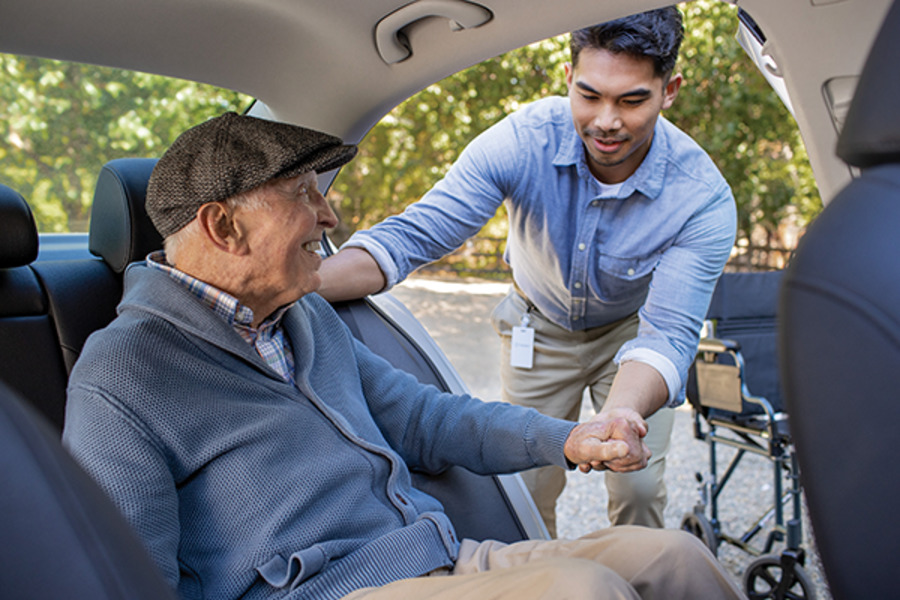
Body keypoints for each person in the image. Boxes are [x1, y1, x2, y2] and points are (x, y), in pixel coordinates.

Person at [63, 112, 743, 600]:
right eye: (302, 195)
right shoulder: (125, 375)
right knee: (582, 591)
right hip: (328, 591)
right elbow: (125, 575)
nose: (328, 217)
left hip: (439, 558)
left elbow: (426, 420)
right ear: (223, 225)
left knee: (675, 560)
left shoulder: (302, 317)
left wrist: (569, 439)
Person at [317, 6, 737, 535]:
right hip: (536, 328)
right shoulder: (522, 139)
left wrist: (619, 417)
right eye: (589, 95)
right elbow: (412, 236)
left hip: (631, 338)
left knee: (639, 487)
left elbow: (668, 334)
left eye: (631, 101)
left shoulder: (701, 198)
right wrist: (298, 283)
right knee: (528, 488)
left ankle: (641, 573)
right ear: (568, 77)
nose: (606, 121)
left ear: (669, 90)